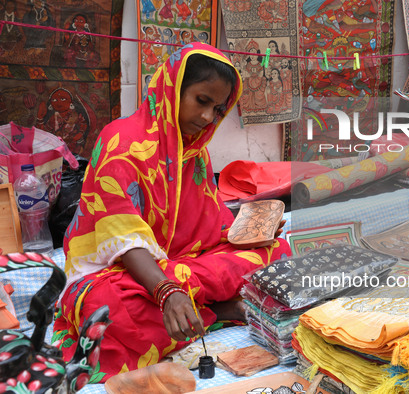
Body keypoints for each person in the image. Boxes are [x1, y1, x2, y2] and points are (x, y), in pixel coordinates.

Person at [53, 42, 291, 381]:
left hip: (180, 265)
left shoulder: (194, 151)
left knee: (275, 251)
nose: (208, 117)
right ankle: (214, 311)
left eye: (218, 109)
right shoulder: (121, 143)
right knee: (104, 310)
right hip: (120, 273)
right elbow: (126, 241)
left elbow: (209, 222)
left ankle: (199, 309)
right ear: (173, 88)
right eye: (202, 101)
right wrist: (167, 291)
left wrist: (250, 230)